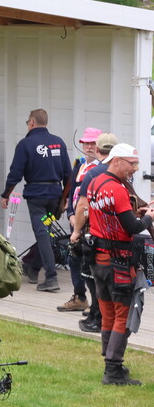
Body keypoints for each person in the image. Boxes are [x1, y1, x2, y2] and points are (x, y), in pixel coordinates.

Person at [79, 143, 149, 385]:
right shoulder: (118, 190)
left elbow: (104, 215)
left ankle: (110, 363)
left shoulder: (95, 182)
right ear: (116, 160)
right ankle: (113, 370)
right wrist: (149, 216)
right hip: (118, 262)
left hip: (98, 260)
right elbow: (133, 228)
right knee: (123, 314)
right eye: (132, 164)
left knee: (108, 312)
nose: (134, 169)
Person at [1, 109, 73, 293]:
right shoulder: (58, 142)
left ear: (32, 122)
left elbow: (15, 173)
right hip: (54, 199)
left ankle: (51, 277)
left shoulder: (26, 144)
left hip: (37, 199)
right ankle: (32, 269)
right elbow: (69, 174)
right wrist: (66, 198)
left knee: (42, 233)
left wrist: (6, 194)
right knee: (45, 231)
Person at [70, 133, 117, 333]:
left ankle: (98, 318)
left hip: (94, 234)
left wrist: (76, 231)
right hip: (116, 235)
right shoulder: (120, 173)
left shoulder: (93, 174)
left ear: (97, 149)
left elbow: (82, 206)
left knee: (91, 276)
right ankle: (103, 317)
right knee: (107, 280)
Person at [57, 128, 102, 314]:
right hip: (76, 219)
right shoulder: (79, 164)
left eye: (93, 143)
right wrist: (70, 214)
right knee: (74, 258)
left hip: (91, 222)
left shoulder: (101, 168)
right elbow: (71, 193)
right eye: (86, 143)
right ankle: (79, 296)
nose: (89, 147)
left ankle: (96, 302)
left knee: (90, 261)